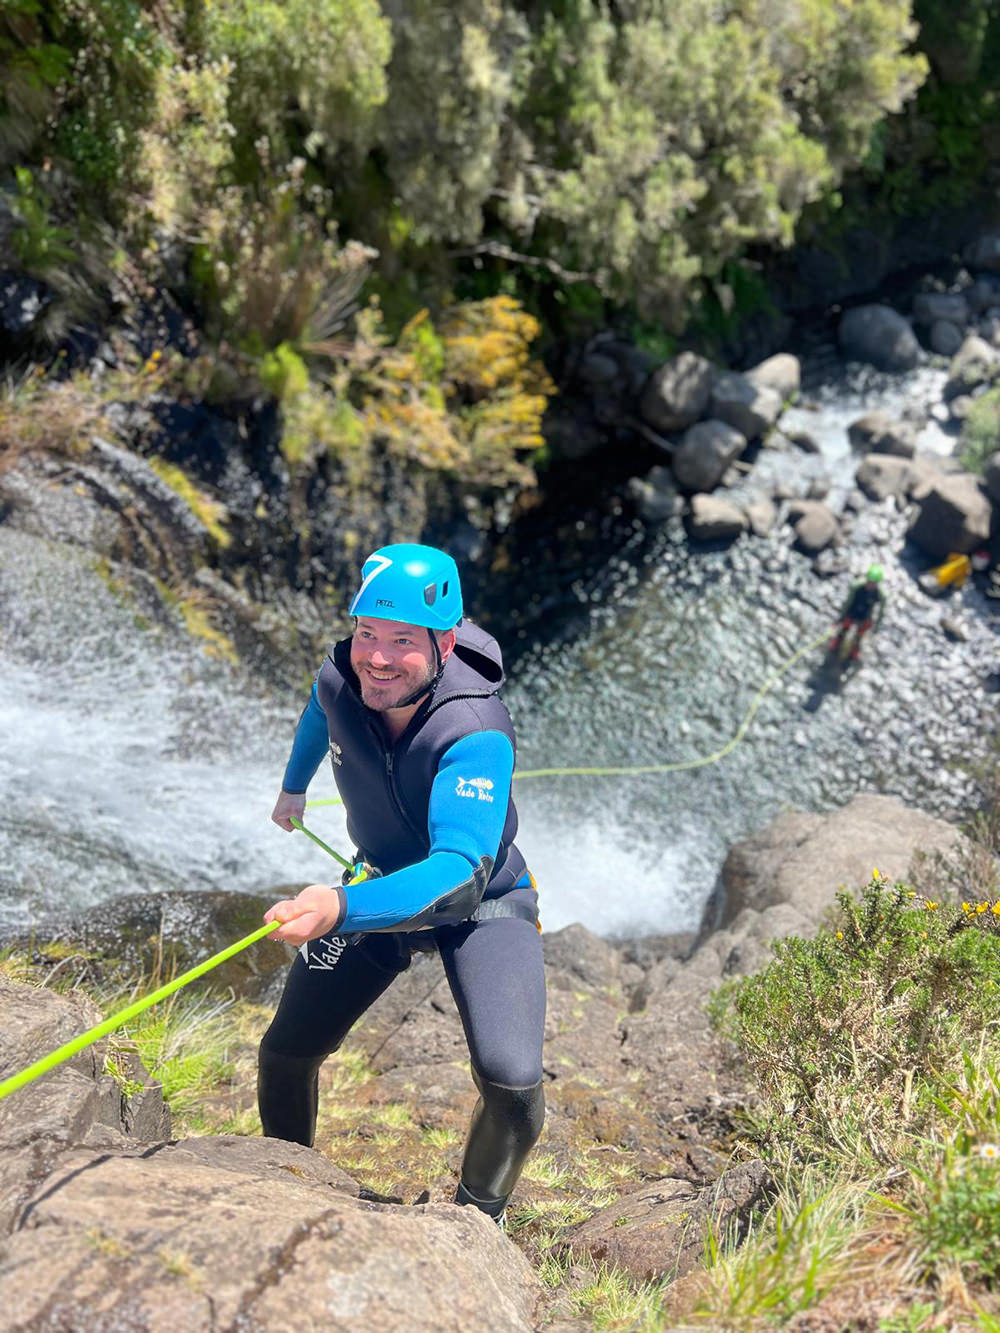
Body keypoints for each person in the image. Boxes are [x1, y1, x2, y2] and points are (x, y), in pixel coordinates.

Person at [258, 543, 545, 1227]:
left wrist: (340, 906)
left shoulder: (475, 731)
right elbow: (317, 711)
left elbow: (456, 875)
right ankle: (285, 1182)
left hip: (482, 903)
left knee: (512, 1086)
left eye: (401, 640)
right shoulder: (342, 675)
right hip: (381, 878)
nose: (377, 657)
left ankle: (477, 1223)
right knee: (285, 1052)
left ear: (444, 640)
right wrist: (293, 786)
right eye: (366, 633)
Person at [829, 563, 886, 661]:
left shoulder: (881, 595)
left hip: (866, 615)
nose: (870, 585)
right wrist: (841, 617)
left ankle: (854, 651)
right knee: (844, 629)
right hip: (852, 611)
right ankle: (837, 641)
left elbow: (881, 612)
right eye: (869, 581)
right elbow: (848, 602)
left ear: (878, 583)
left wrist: (877, 626)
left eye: (874, 583)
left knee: (859, 636)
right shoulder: (857, 587)